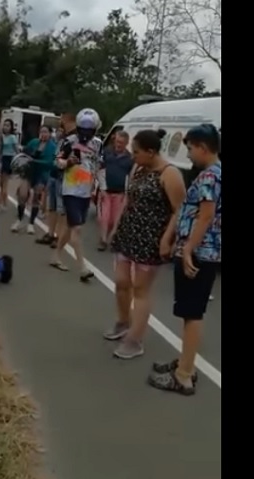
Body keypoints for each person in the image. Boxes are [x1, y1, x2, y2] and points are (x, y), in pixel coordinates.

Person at [148, 124, 221, 395]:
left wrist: (188, 248)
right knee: (190, 312)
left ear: (203, 147)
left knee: (192, 314)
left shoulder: (209, 177)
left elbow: (205, 215)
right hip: (204, 252)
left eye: (190, 148)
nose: (188, 154)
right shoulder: (214, 174)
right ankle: (185, 362)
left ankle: (184, 375)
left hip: (199, 254)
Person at [105, 130, 186, 359]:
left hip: (150, 239)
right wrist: (115, 227)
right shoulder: (139, 168)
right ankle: (122, 322)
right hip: (128, 233)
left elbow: (179, 210)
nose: (134, 156)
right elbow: (128, 199)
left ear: (151, 152)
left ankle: (135, 339)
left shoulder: (169, 174)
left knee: (141, 290)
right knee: (121, 282)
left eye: (137, 152)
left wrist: (166, 239)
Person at [50, 109, 102, 281]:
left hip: (86, 191)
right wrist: (67, 162)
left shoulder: (97, 144)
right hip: (70, 189)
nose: (86, 132)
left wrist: (98, 185)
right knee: (77, 229)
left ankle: (56, 255)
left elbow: (98, 164)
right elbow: (57, 161)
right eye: (83, 128)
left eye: (90, 128)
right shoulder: (69, 142)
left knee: (71, 227)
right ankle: (82, 267)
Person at [10, 126, 57, 235]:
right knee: (22, 195)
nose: (43, 134)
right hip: (28, 172)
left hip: (42, 174)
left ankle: (31, 223)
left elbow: (50, 163)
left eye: (46, 132)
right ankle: (19, 219)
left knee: (36, 197)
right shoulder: (34, 142)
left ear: (50, 134)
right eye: (41, 132)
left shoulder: (52, 147)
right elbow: (24, 153)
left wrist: (34, 160)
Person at [96, 130, 133, 251]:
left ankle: (111, 238)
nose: (118, 144)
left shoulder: (130, 158)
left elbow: (131, 176)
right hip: (106, 190)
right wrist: (102, 188)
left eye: (121, 142)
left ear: (126, 143)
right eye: (117, 141)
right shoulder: (106, 152)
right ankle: (103, 240)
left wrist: (127, 193)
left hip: (120, 192)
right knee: (104, 217)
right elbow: (100, 169)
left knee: (114, 219)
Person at [36, 121, 71, 247]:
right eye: (58, 130)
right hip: (53, 175)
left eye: (62, 130)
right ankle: (50, 234)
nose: (59, 132)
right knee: (52, 207)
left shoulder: (69, 143)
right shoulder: (57, 143)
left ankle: (58, 237)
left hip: (63, 177)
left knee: (61, 210)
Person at [0, 118, 19, 211]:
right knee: (1, 183)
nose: (6, 127)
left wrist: (17, 162)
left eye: (8, 125)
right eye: (4, 125)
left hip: (9, 159)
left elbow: (16, 150)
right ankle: (3, 203)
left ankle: (0, 204)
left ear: (11, 127)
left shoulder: (12, 137)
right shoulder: (2, 136)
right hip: (2, 159)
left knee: (4, 184)